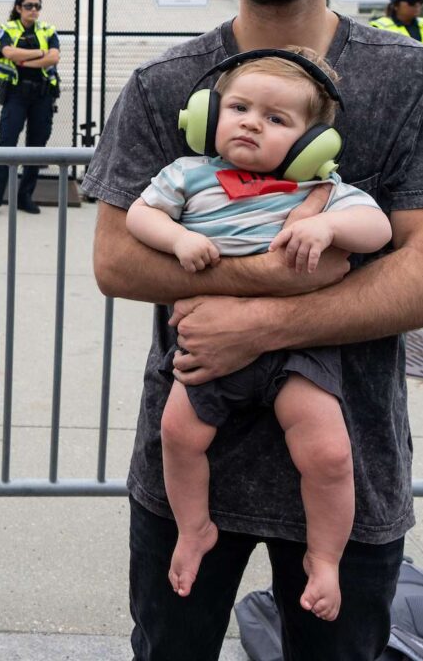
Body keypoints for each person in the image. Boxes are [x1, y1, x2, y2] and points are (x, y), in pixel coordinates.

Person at [84, 0, 423, 660]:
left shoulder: (419, 80)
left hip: (348, 454)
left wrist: (259, 325)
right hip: (191, 448)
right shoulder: (167, 85)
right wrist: (294, 280)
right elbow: (118, 259)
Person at [125, 47, 391, 614]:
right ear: (208, 116)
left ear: (308, 144)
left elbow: (377, 229)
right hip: (208, 344)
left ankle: (323, 559)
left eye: (277, 119)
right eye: (240, 107)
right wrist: (178, 239)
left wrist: (327, 224)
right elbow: (139, 215)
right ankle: (194, 528)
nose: (250, 122)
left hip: (297, 348)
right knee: (177, 434)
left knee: (328, 454)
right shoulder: (190, 174)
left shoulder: (317, 188)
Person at [0, 0, 60, 217]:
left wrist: (25, 60)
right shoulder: (8, 28)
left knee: (36, 149)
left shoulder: (47, 29)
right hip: (16, 95)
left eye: (37, 6)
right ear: (18, 8)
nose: (34, 10)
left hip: (42, 96)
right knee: (6, 146)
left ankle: (25, 197)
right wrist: (40, 54)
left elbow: (54, 57)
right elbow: (8, 53)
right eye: (29, 6)